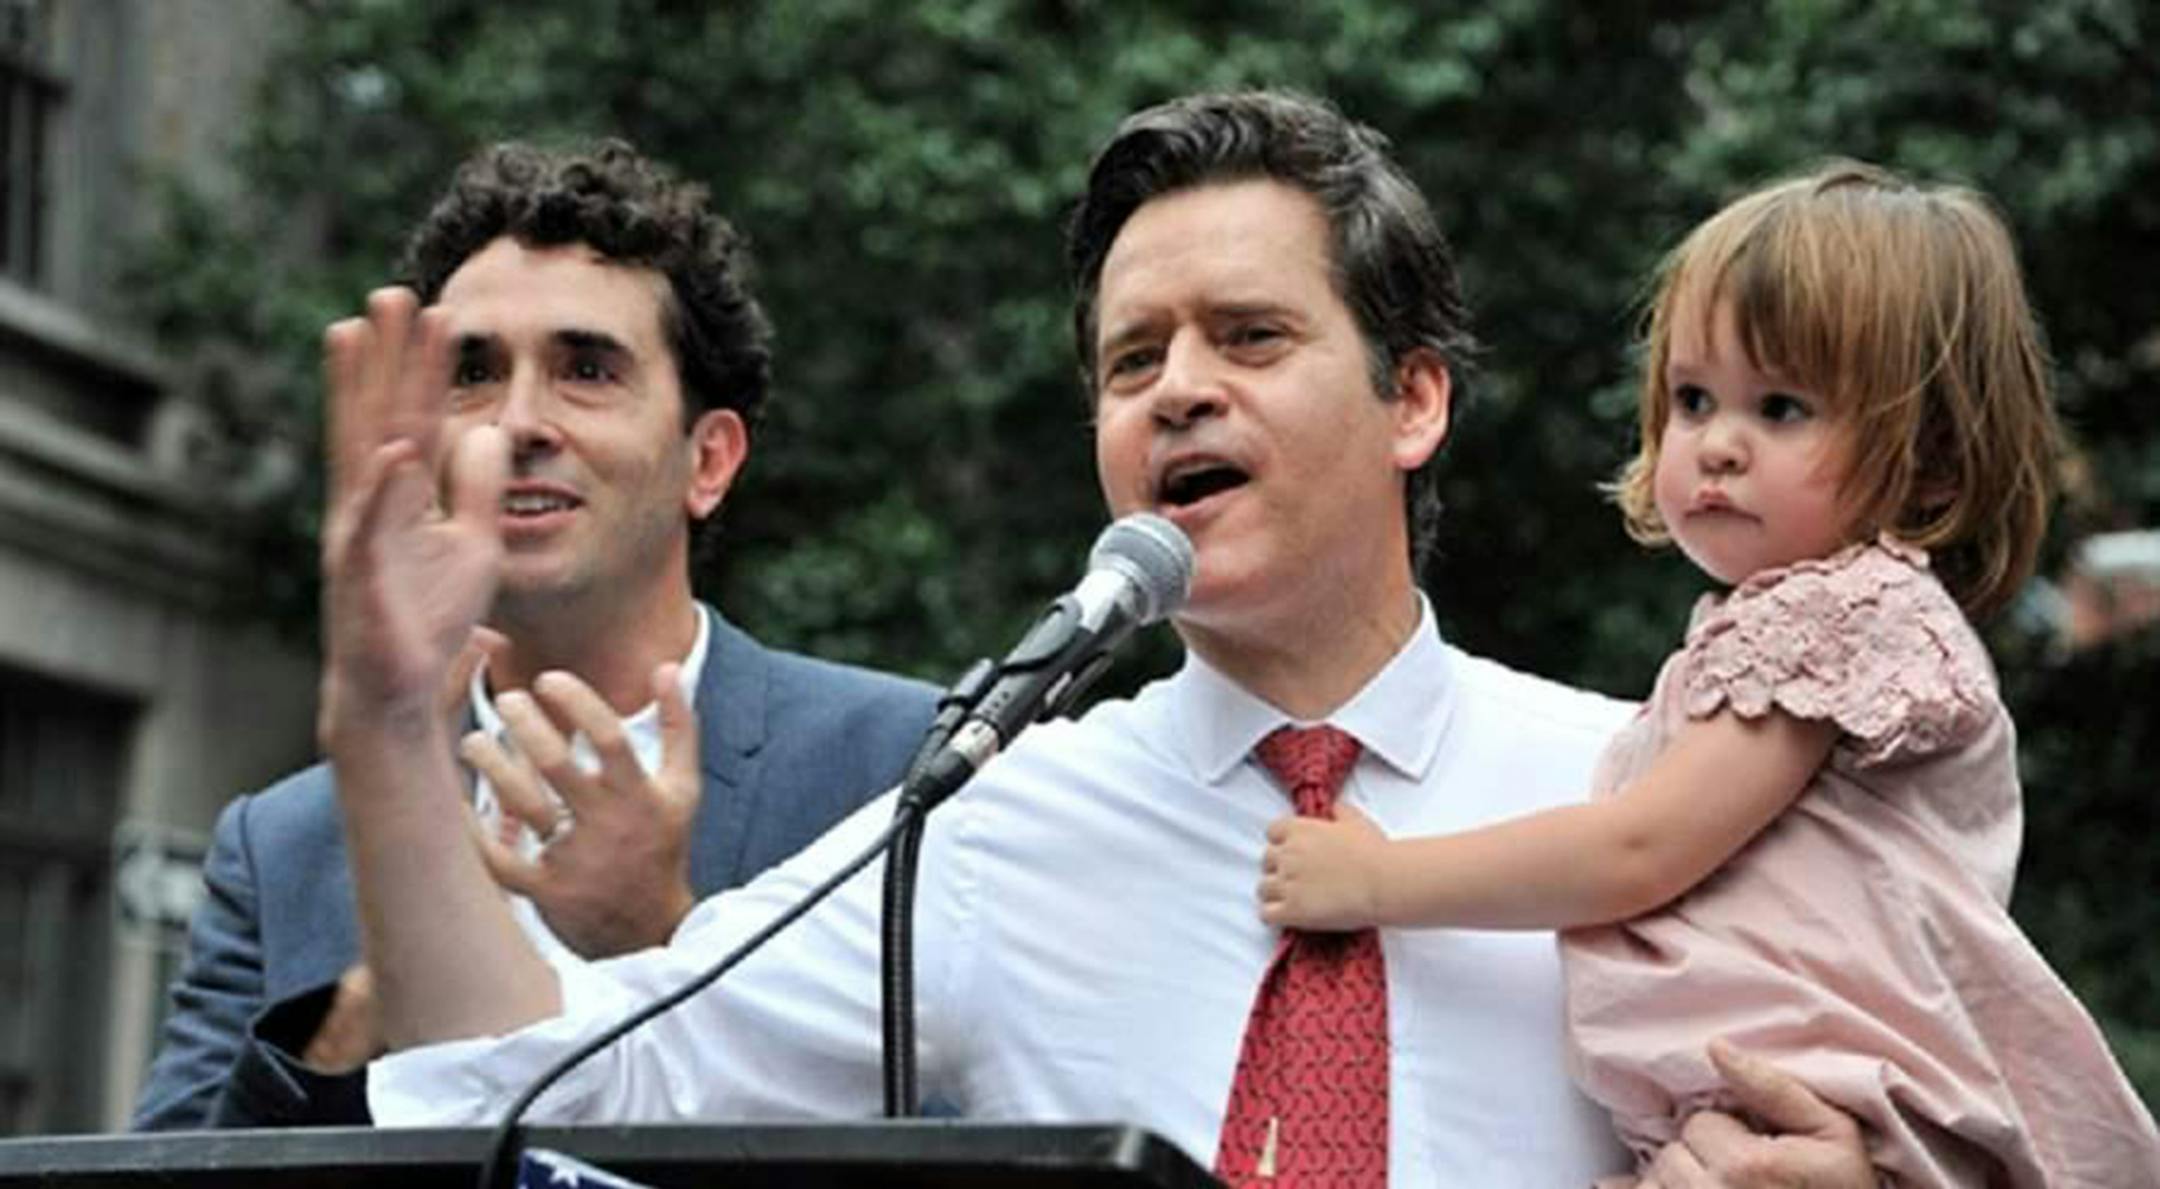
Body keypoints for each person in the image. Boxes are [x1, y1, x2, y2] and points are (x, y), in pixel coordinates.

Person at [325, 92, 1881, 1185]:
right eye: (1134, 361)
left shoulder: (1645, 779)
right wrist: (389, 726)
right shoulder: (988, 823)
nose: (1180, 389)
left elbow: (1931, 1100)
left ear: (1413, 400)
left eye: (1250, 336)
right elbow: (534, 1089)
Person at [1260, 161, 2160, 1185]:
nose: (1719, 444)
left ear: (1930, 462)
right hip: (1759, 1118)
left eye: (1782, 407)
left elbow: (1640, 847)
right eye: (1693, 399)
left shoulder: (1837, 617)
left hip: (1819, 1110)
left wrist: (1379, 879)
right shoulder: (1794, 623)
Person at [132, 140, 938, 1129]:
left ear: (709, 460)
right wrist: (381, 982)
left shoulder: (900, 773)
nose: (519, 422)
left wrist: (658, 932)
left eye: (586, 369)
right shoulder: (284, 844)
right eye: (472, 372)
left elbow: (964, 1137)